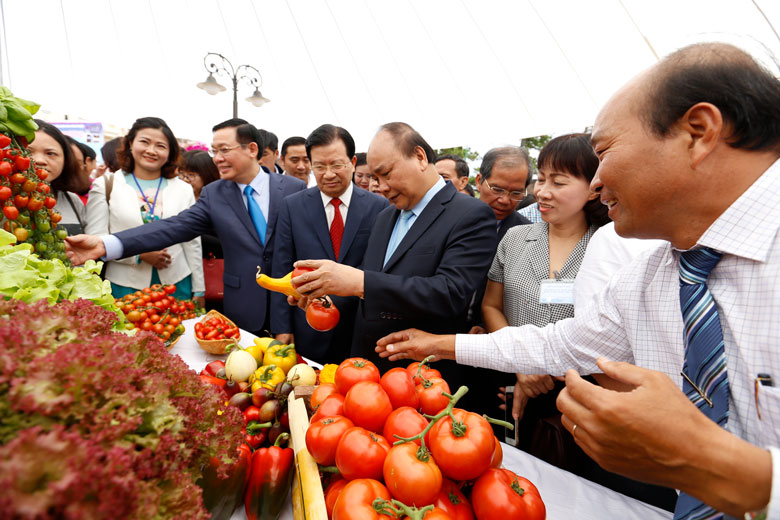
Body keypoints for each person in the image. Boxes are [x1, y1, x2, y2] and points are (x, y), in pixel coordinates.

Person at [375, 42, 780, 518]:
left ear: (698, 132)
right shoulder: (654, 274)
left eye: (603, 153)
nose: (596, 182)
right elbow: (558, 343)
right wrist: (441, 345)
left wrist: (723, 468)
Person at [290, 122, 497, 408]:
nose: (380, 186)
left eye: (386, 173)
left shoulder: (470, 215)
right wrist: (326, 300)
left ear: (420, 157)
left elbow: (450, 293)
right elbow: (370, 287)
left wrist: (359, 282)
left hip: (420, 382)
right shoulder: (385, 217)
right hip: (365, 375)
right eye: (375, 177)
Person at [68, 119, 306, 334]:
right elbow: (172, 227)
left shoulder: (294, 189)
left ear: (252, 149)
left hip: (292, 307)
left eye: (224, 150)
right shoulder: (215, 194)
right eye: (214, 151)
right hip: (243, 309)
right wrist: (105, 244)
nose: (217, 158)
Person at [271, 125, 388, 363]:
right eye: (319, 167)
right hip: (309, 325)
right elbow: (280, 267)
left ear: (353, 162)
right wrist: (283, 327)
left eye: (336, 165)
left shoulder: (379, 207)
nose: (328, 174)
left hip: (360, 328)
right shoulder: (292, 206)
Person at [83, 117, 204, 303]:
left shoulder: (183, 189)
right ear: (131, 143)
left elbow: (192, 243)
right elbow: (96, 240)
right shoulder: (107, 185)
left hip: (177, 284)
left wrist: (199, 289)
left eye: (161, 146)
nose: (151, 151)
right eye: (144, 142)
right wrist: (139, 254)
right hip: (125, 286)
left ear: (170, 152)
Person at [28, 120, 88, 237]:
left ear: (65, 160)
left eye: (50, 153)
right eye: (27, 152)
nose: (39, 160)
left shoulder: (73, 200)